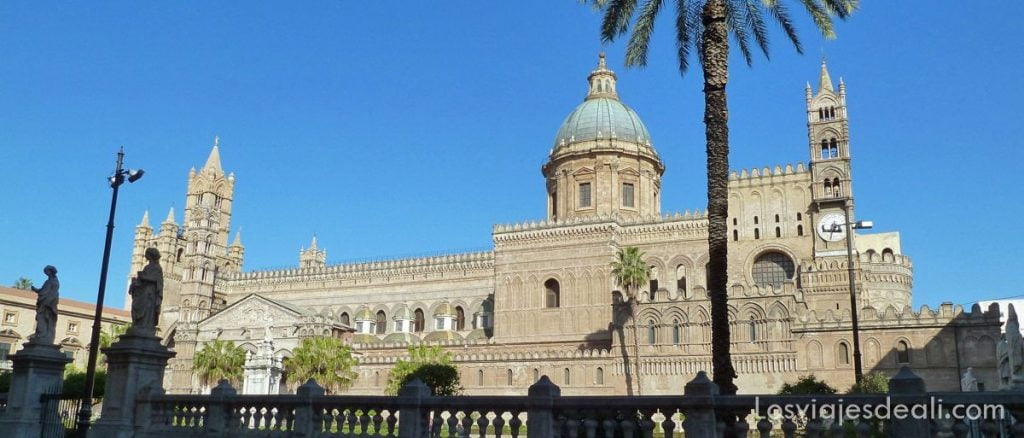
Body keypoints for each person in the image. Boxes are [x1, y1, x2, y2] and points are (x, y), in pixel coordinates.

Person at [129, 248, 164, 336]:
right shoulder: (147, 267)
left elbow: (157, 281)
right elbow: (142, 282)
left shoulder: (157, 268)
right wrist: (135, 282)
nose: (145, 256)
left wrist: (143, 277)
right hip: (143, 292)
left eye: (147, 254)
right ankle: (139, 325)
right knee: (138, 307)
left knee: (147, 310)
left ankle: (145, 326)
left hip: (150, 293)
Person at [29, 265, 59, 345]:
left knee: (44, 318)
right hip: (45, 302)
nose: (46, 273)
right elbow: (43, 290)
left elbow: (51, 293)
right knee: (41, 318)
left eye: (47, 272)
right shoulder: (49, 281)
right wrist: (35, 289)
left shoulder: (53, 281)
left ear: (51, 271)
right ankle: (40, 335)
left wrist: (48, 302)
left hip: (48, 303)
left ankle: (43, 336)